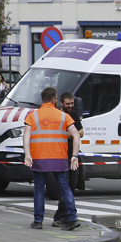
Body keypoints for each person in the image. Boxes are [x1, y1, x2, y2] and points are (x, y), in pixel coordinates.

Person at [23, 87, 81, 231]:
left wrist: (27, 154)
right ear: (55, 100)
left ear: (42, 100)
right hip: (59, 157)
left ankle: (38, 221)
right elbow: (77, 135)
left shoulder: (33, 115)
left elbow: (26, 135)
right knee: (64, 187)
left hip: (39, 157)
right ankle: (72, 218)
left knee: (38, 189)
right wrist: (74, 156)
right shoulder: (63, 116)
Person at [52, 92, 85, 226]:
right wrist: (72, 134)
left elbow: (81, 132)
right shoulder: (59, 115)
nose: (71, 106)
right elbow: (57, 134)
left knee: (71, 185)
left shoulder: (74, 114)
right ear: (61, 103)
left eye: (72, 103)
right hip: (61, 155)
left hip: (73, 154)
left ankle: (62, 215)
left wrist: (69, 135)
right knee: (64, 187)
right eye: (68, 104)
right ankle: (63, 216)